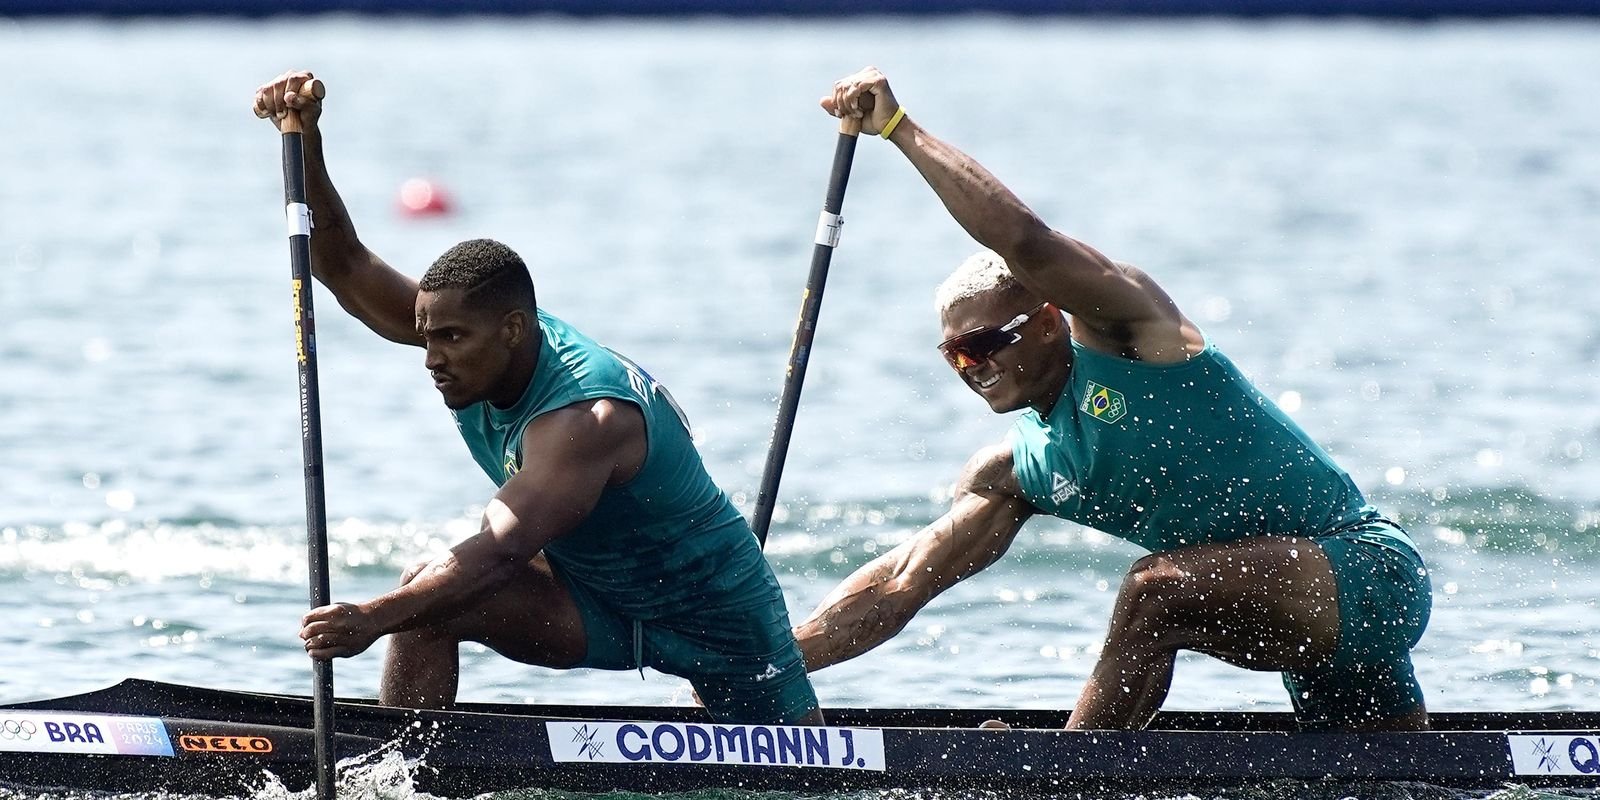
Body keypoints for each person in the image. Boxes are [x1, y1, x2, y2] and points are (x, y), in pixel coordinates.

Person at [792, 67, 1431, 732]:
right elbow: (900, 585)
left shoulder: (1131, 335)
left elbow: (1025, 241)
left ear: (1048, 320)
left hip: (1366, 572)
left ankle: (1070, 773)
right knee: (1396, 773)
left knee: (1153, 591)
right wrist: (767, 667)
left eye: (983, 344)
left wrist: (899, 131)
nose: (972, 368)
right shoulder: (1016, 471)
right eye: (954, 354)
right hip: (1285, 611)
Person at [252, 70, 821, 724]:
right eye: (426, 337)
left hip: (720, 622)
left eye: (450, 339)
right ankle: (397, 768)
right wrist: (305, 140)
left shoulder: (586, 417)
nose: (432, 358)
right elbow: (345, 264)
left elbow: (501, 552)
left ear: (514, 330)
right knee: (427, 601)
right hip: (595, 600)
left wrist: (370, 618)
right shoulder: (477, 339)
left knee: (803, 768)